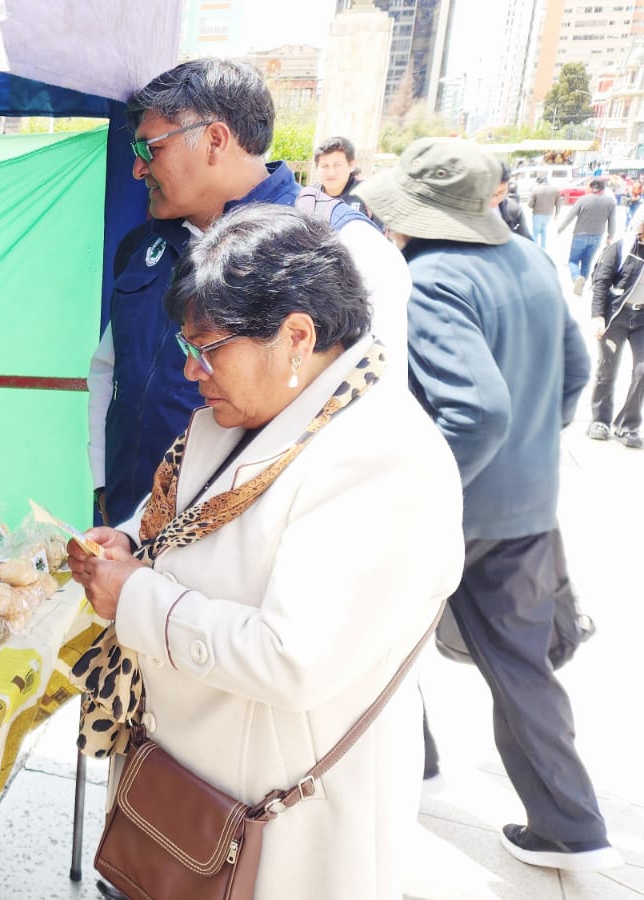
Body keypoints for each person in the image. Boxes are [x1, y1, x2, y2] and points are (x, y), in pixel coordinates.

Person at [67, 204, 464, 898]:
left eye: (208, 348)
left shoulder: (383, 456)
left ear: (296, 337)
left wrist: (136, 595)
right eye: (188, 346)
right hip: (186, 790)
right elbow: (198, 519)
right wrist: (133, 541)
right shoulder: (252, 411)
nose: (191, 370)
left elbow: (292, 657)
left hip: (275, 825)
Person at [358, 138, 620, 873]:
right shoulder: (531, 259)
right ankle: (571, 824)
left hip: (457, 510)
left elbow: (477, 412)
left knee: (379, 639)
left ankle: (414, 766)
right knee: (522, 668)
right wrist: (527, 453)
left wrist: (425, 492)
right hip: (528, 504)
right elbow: (575, 373)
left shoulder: (431, 278)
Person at [86, 58, 410, 527]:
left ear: (215, 140)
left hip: (243, 543)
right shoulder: (144, 246)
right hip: (131, 526)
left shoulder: (341, 247)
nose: (137, 169)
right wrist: (105, 486)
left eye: (148, 148)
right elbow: (110, 369)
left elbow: (368, 419)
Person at [586, 213, 644, 447]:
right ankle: (600, 421)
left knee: (642, 371)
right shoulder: (623, 247)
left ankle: (627, 426)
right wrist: (598, 316)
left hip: (642, 319)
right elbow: (601, 280)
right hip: (616, 316)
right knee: (607, 369)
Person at [557, 177, 616, 295]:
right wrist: (610, 236)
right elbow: (612, 221)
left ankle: (576, 278)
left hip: (580, 235)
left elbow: (570, 215)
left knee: (573, 260)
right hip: (597, 236)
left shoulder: (583, 199)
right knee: (587, 262)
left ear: (591, 188)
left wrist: (560, 229)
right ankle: (581, 286)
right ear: (603, 189)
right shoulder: (610, 202)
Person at [313, 135, 380, 227]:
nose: (331, 173)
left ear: (351, 165)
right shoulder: (309, 196)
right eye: (325, 166)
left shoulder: (368, 196)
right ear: (317, 168)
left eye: (337, 165)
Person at [494, 163, 531, 240]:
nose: (494, 199)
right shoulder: (469, 209)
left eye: (501, 192)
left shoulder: (514, 209)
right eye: (489, 193)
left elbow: (526, 240)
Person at [528, 175, 561, 248]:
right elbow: (558, 203)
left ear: (539, 182)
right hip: (548, 214)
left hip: (537, 213)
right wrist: (557, 214)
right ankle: (543, 248)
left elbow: (530, 204)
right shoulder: (555, 190)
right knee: (544, 231)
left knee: (535, 232)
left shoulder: (535, 189)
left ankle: (534, 248)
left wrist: (534, 206)